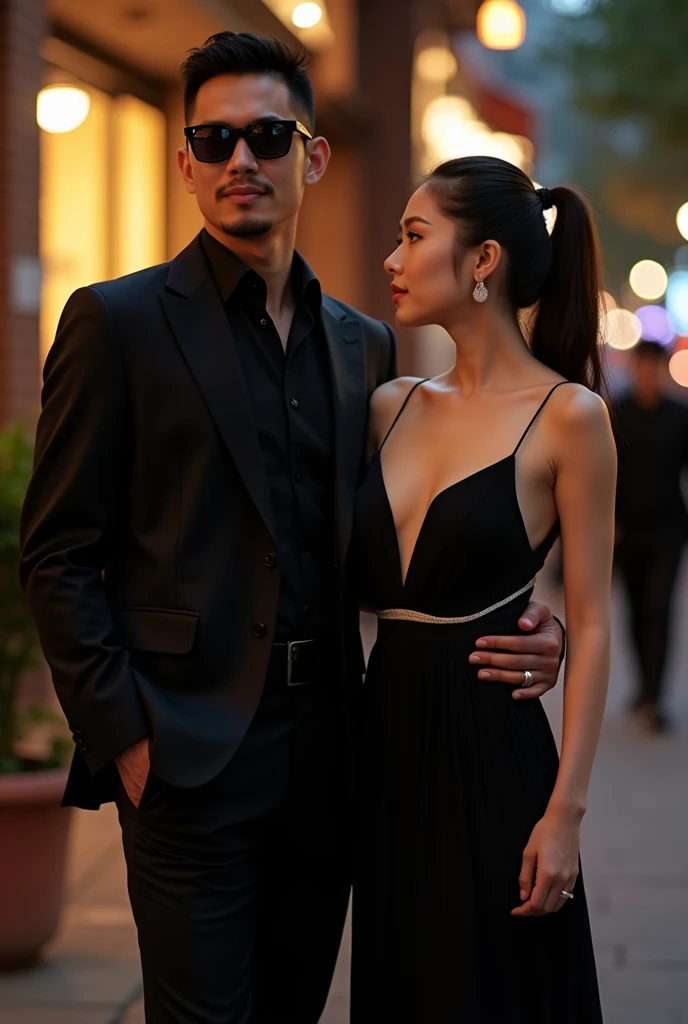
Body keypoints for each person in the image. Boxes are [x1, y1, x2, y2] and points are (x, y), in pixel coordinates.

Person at [20, 36, 564, 1024]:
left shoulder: (364, 344)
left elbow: (391, 546)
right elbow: (57, 552)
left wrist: (530, 619)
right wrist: (125, 734)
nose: (241, 159)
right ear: (184, 162)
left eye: (266, 135)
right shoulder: (117, 322)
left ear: (311, 156)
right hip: (184, 758)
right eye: (214, 137)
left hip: (335, 758)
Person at [350, 157, 616, 1022]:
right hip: (382, 741)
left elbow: (593, 619)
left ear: (483, 260)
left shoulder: (570, 416)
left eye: (414, 235)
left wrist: (565, 814)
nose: (392, 257)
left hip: (491, 751)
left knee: (491, 990)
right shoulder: (390, 403)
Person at [614, 339, 688, 732]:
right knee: (636, 610)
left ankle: (655, 697)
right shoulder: (617, 414)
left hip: (670, 529)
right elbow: (604, 474)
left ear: (661, 369)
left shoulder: (679, 415)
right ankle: (643, 685)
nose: (647, 374)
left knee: (659, 608)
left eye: (653, 368)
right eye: (641, 367)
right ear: (633, 368)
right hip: (627, 531)